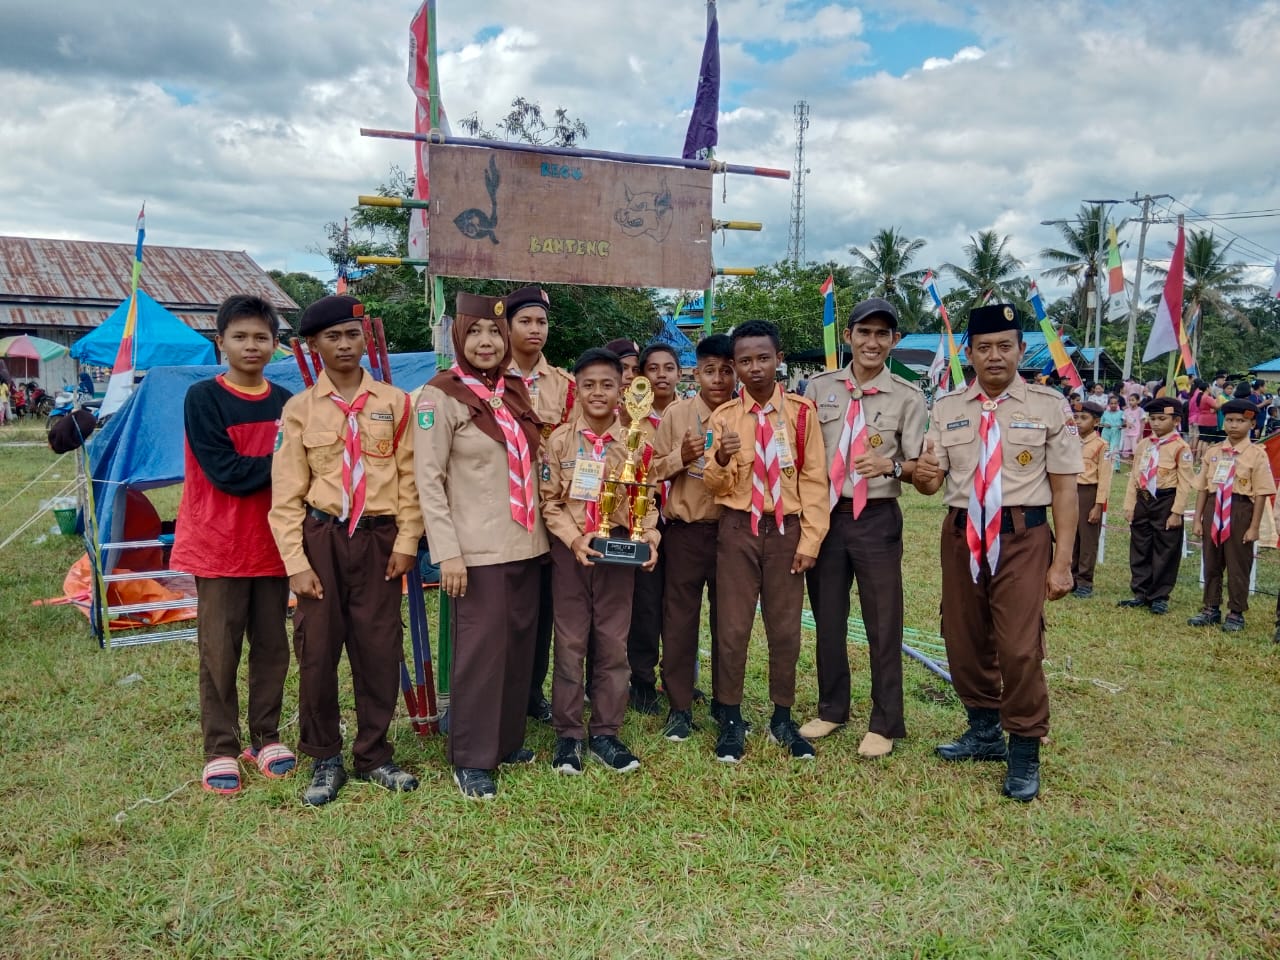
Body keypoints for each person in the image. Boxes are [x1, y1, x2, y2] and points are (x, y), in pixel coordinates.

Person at [912, 303, 1081, 802]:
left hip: (1023, 535)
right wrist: (919, 475)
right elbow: (930, 481)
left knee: (1019, 644)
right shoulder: (946, 408)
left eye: (1004, 346)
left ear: (1020, 350)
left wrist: (1063, 561)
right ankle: (983, 730)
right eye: (983, 347)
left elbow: (1066, 490)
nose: (994, 356)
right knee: (963, 637)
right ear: (968, 353)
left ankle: (1025, 745)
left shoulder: (1049, 406)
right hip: (961, 532)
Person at [269, 294, 424, 806]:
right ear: (313, 346)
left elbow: (409, 479)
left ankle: (375, 754)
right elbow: (286, 494)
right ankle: (325, 756)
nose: (343, 345)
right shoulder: (299, 409)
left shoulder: (393, 402)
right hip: (323, 537)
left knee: (379, 649)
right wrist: (296, 563)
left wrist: (406, 542)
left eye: (351, 335)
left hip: (379, 539)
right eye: (331, 337)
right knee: (316, 650)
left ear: (364, 340)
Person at [415, 292, 549, 799]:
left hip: (525, 542)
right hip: (475, 550)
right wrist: (447, 552)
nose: (487, 342)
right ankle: (471, 757)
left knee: (517, 647)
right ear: (458, 337)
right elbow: (428, 480)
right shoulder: (440, 395)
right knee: (480, 652)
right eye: (475, 332)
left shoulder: (513, 392)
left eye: (494, 333)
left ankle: (507, 740)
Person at [170, 295, 294, 795]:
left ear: (275, 344)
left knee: (271, 648)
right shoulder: (203, 397)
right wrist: (284, 467)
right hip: (219, 545)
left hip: (274, 544)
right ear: (220, 342)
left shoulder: (287, 402)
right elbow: (226, 474)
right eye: (239, 337)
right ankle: (221, 746)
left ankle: (265, 737)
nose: (251, 346)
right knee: (219, 652)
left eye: (260, 337)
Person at [800, 297, 926, 758]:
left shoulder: (908, 397)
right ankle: (832, 708)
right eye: (864, 332)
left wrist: (890, 464)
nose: (872, 342)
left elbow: (918, 465)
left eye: (882, 334)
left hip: (875, 518)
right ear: (849, 335)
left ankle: (885, 720)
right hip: (827, 517)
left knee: (883, 621)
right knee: (828, 618)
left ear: (894, 341)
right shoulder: (818, 389)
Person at [703, 319, 829, 763]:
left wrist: (810, 540)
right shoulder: (723, 418)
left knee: (785, 629)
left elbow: (815, 478)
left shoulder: (801, 413)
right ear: (734, 367)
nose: (754, 368)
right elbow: (715, 487)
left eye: (762, 358)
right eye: (744, 361)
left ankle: (782, 716)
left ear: (779, 359)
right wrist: (720, 457)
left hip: (785, 529)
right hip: (738, 529)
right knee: (733, 627)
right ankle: (731, 717)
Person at [541, 348, 660, 775]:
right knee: (570, 645)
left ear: (622, 390)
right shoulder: (558, 441)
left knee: (613, 644)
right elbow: (550, 503)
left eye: (607, 384)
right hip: (571, 557)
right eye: (588, 384)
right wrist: (574, 540)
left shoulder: (636, 443)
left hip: (618, 557)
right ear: (576, 388)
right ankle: (569, 736)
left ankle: (607, 733)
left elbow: (647, 502)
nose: (597, 392)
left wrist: (650, 537)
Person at [649, 334, 736, 741]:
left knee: (729, 623)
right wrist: (681, 457)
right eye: (709, 370)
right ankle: (680, 706)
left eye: (726, 369)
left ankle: (726, 702)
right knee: (679, 621)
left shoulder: (745, 416)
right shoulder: (677, 415)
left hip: (732, 532)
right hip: (684, 532)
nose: (718, 378)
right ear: (694, 372)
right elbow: (651, 472)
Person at [504, 284, 575, 725]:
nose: (535, 330)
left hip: (549, 510)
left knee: (546, 608)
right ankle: (502, 692)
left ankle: (532, 691)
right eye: (525, 321)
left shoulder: (565, 386)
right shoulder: (488, 376)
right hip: (502, 510)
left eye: (542, 322)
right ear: (506, 326)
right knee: (505, 605)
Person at [625, 342, 683, 715]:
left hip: (682, 521)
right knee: (645, 606)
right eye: (653, 368)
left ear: (680, 373)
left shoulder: (693, 414)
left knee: (679, 607)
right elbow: (635, 469)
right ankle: (641, 681)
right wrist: (680, 458)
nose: (662, 374)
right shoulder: (630, 419)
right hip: (642, 522)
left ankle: (679, 680)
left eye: (669, 367)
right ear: (642, 376)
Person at [1187, 400, 1275, 633]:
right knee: (1211, 560)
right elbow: (1203, 488)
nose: (1234, 425)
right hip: (1213, 508)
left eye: (1241, 421)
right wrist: (1198, 520)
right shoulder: (1214, 452)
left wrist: (1254, 526)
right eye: (1230, 420)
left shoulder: (1257, 455)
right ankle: (1210, 607)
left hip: (1240, 509)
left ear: (1252, 424)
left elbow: (1262, 492)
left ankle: (1236, 611)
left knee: (1238, 563)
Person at [1117, 397, 1194, 616]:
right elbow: (1134, 475)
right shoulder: (1144, 444)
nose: (1157, 423)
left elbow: (1185, 482)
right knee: (1140, 545)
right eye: (1153, 418)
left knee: (1165, 547)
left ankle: (1159, 595)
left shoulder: (1181, 448)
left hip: (1165, 499)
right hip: (1143, 498)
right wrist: (1129, 504)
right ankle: (1140, 591)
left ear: (1176, 420)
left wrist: (1177, 511)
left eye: (1162, 418)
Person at [1070, 401, 1113, 599]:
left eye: (1084, 418)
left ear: (1096, 421)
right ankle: (1071, 575)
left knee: (1087, 539)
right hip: (1070, 492)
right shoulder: (1069, 441)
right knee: (1070, 537)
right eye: (1076, 417)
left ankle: (1085, 580)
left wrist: (1098, 505)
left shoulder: (1102, 445)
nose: (1078, 422)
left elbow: (1105, 478)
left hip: (1088, 493)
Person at [1121, 392, 1144, 460]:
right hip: (1127, 434)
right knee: (1127, 452)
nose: (1130, 402)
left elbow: (1143, 423)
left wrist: (1140, 435)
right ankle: (1130, 466)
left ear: (1138, 401)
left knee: (1136, 452)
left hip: (1136, 434)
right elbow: (1124, 422)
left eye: (1133, 400)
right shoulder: (1126, 411)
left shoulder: (1140, 410)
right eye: (1129, 400)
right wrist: (1124, 425)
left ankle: (1136, 466)